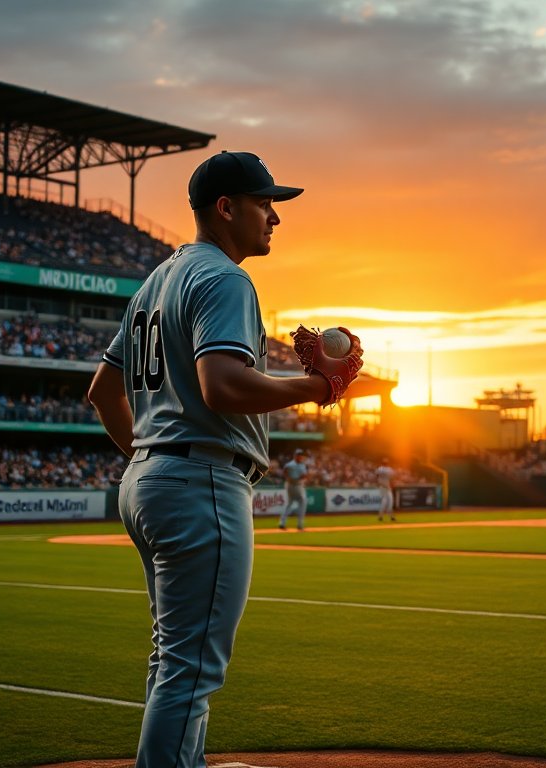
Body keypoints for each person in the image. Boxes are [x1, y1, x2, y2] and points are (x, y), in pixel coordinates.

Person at [86, 150, 363, 768]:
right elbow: (224, 387)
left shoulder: (155, 282)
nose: (275, 217)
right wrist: (318, 388)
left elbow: (103, 392)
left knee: (172, 658)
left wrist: (152, 459)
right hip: (200, 481)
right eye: (265, 204)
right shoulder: (225, 278)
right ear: (226, 208)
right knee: (192, 668)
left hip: (151, 477)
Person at [278, 448, 311, 531]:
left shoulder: (301, 464)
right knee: (302, 502)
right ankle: (300, 524)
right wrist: (289, 477)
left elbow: (304, 475)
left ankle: (282, 523)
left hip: (295, 484)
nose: (300, 456)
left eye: (301, 455)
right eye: (298, 455)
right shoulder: (291, 464)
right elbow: (285, 470)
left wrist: (302, 477)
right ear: (295, 456)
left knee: (289, 504)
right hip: (295, 485)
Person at [376, 458, 395, 522]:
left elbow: (377, 476)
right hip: (386, 487)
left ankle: (381, 516)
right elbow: (392, 478)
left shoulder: (379, 468)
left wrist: (379, 482)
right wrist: (391, 485)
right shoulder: (389, 469)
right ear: (387, 463)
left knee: (384, 502)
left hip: (382, 486)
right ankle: (390, 516)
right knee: (390, 501)